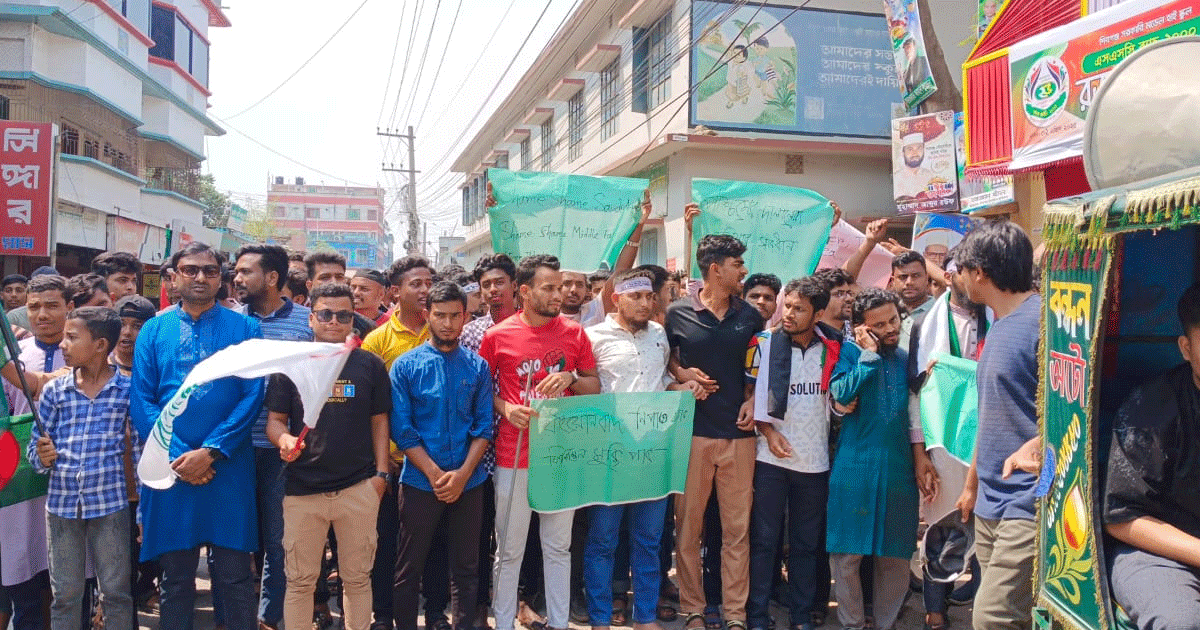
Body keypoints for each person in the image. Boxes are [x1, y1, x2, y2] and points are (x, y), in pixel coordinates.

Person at [130, 241, 265, 630]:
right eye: (190, 270)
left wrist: (211, 450)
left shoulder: (246, 328)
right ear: (173, 277)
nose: (200, 277)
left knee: (235, 576)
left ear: (222, 278)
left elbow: (252, 396)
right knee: (174, 578)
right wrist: (178, 454)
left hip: (228, 467)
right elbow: (142, 400)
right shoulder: (153, 329)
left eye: (210, 270)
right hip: (170, 468)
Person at [480, 254, 601, 630]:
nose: (559, 294)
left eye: (560, 287)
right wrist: (505, 407)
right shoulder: (497, 336)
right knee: (509, 550)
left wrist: (570, 378)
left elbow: (594, 386)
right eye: (549, 288)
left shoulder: (574, 333)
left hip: (561, 455)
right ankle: (503, 622)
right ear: (525, 291)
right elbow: (479, 390)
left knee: (558, 547)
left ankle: (559, 622)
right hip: (512, 455)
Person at [266, 282, 391, 630]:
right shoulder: (292, 364)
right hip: (302, 490)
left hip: (358, 487)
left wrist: (381, 476)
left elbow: (380, 421)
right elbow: (275, 421)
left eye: (343, 315)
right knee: (300, 582)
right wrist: (285, 439)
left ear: (353, 319)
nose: (334, 321)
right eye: (325, 314)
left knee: (357, 579)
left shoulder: (369, 364)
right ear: (311, 318)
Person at [584, 269, 704, 630]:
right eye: (635, 296)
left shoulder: (659, 336)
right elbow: (585, 387)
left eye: (649, 297)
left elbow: (662, 381)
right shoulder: (593, 337)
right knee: (603, 541)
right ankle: (600, 618)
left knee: (650, 541)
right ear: (616, 299)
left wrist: (681, 388)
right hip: (609, 455)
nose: (644, 303)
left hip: (652, 453)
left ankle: (646, 616)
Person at [667, 234, 763, 630]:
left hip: (740, 438)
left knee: (737, 534)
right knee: (689, 530)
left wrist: (753, 400)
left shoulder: (751, 316)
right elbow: (664, 361)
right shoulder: (676, 313)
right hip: (692, 436)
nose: (743, 271)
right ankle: (693, 608)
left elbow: (758, 367)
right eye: (737, 264)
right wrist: (681, 374)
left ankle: (735, 614)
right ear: (715, 269)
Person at [951, 221, 1041, 630]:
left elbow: (1072, 416)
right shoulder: (999, 323)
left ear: (979, 272)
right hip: (989, 501)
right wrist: (971, 485)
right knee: (1013, 618)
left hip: (1029, 499)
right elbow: (992, 413)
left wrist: (1039, 454)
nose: (958, 278)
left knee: (991, 618)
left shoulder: (1044, 324)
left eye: (961, 269)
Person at [827, 288, 932, 630]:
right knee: (847, 554)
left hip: (898, 468)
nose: (890, 329)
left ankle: (885, 623)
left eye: (893, 320)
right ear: (862, 328)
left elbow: (919, 412)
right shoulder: (849, 353)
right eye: (880, 325)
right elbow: (842, 392)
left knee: (895, 554)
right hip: (855, 467)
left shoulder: (907, 359)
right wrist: (868, 357)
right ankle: (853, 624)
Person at [391, 281, 494, 630]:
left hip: (470, 481)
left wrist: (462, 476)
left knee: (466, 568)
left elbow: (483, 428)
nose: (448, 324)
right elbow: (402, 430)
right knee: (409, 567)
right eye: (440, 315)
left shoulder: (477, 367)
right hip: (420, 481)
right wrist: (436, 475)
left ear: (465, 316)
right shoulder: (406, 367)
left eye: (454, 316)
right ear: (427, 315)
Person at [29, 306, 135, 630]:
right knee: (65, 596)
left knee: (116, 594)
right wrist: (42, 456)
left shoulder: (127, 391)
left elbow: (139, 452)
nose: (63, 344)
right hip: (62, 506)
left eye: (72, 337)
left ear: (100, 345)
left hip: (110, 505)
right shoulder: (55, 391)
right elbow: (35, 451)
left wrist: (143, 508)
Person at [1103, 281, 1200, 629]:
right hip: (1158, 555)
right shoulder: (1151, 409)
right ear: (1186, 348)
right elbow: (1122, 518)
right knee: (1182, 623)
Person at [745, 277, 838, 630]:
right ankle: (757, 615)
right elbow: (749, 394)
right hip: (770, 458)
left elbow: (838, 399)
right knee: (764, 541)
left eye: (799, 309)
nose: (789, 314)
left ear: (818, 314)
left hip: (813, 461)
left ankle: (800, 616)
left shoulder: (834, 347)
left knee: (805, 544)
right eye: (788, 306)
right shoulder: (763, 344)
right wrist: (768, 433)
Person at [233, 243, 314, 630]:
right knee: (234, 540)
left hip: (283, 448)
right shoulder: (232, 321)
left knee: (280, 540)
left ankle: (270, 617)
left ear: (271, 278)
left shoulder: (306, 322)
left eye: (245, 271)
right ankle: (233, 616)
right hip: (234, 446)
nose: (237, 278)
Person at [907, 257, 986, 630]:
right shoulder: (926, 324)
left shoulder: (997, 318)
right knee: (942, 525)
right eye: (971, 273)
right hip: (942, 444)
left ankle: (984, 610)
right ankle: (935, 611)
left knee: (988, 528)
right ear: (951, 276)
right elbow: (917, 392)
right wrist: (920, 454)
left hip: (988, 440)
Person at [1, 273, 72, 630]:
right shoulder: (17, 356)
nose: (42, 315)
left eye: (52, 306)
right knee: (23, 568)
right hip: (23, 483)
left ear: (69, 307)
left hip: (70, 480)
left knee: (70, 578)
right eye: (34, 307)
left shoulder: (87, 353)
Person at [363, 256, 432, 369]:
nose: (425, 290)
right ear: (396, 291)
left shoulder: (444, 331)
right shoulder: (377, 340)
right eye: (416, 284)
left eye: (429, 284)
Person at [892, 251, 933, 350]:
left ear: (927, 278)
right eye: (903, 277)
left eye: (916, 276)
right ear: (893, 281)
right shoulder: (887, 311)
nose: (909, 282)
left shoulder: (941, 310)